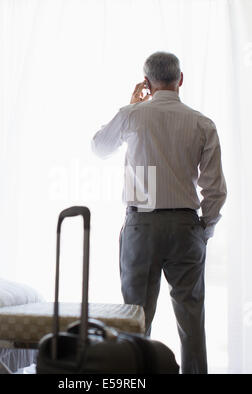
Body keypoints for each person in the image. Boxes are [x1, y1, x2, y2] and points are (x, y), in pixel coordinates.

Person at [91, 51, 227, 374]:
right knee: (192, 322)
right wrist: (203, 229)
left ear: (147, 83)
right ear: (180, 80)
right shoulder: (202, 124)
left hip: (141, 227)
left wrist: (133, 104)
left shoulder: (132, 115)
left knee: (135, 323)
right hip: (185, 227)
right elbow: (215, 190)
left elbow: (99, 147)